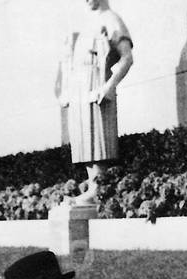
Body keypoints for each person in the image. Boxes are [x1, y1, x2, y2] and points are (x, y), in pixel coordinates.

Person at [59, 0, 134, 206]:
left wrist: (110, 86)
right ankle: (93, 188)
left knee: (98, 141)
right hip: (81, 91)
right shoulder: (87, 24)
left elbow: (127, 58)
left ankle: (97, 190)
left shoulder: (112, 20)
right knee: (85, 142)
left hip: (98, 87)